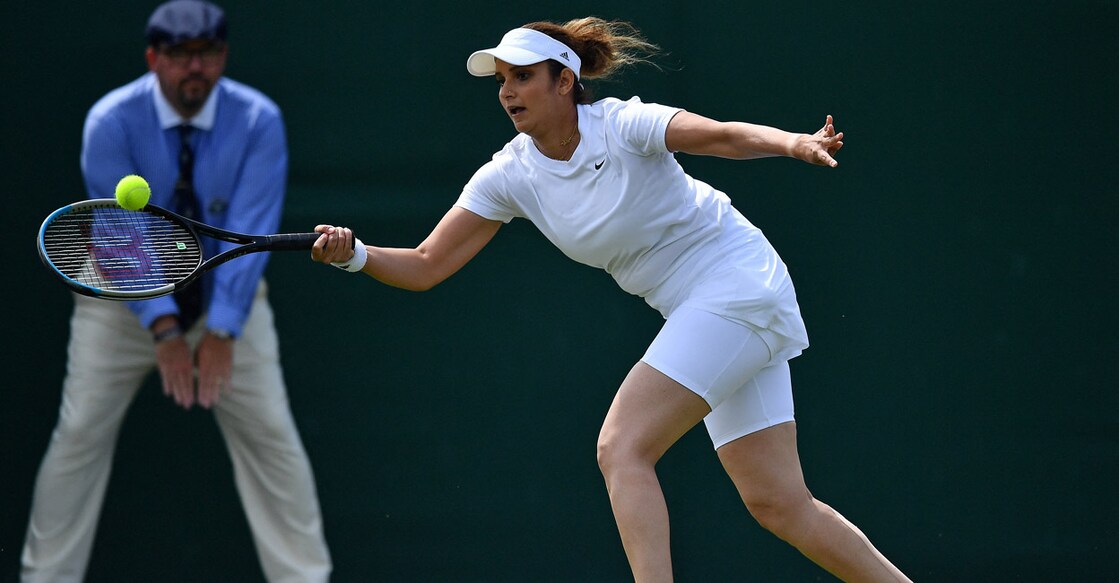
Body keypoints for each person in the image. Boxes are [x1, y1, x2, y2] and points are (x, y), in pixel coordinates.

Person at [312, 17, 911, 583]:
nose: (508, 93)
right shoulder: (508, 174)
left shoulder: (623, 124)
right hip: (713, 306)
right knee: (780, 504)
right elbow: (424, 264)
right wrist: (356, 255)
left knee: (621, 446)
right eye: (501, 81)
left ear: (565, 80)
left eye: (522, 76)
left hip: (735, 282)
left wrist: (793, 144)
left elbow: (721, 137)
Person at [21, 1, 331, 581]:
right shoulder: (110, 122)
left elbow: (253, 226)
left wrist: (221, 329)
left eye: (209, 54)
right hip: (120, 301)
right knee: (79, 433)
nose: (197, 68)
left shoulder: (259, 121)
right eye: (181, 56)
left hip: (228, 302)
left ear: (224, 58)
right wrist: (164, 328)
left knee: (274, 439)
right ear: (153, 59)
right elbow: (119, 236)